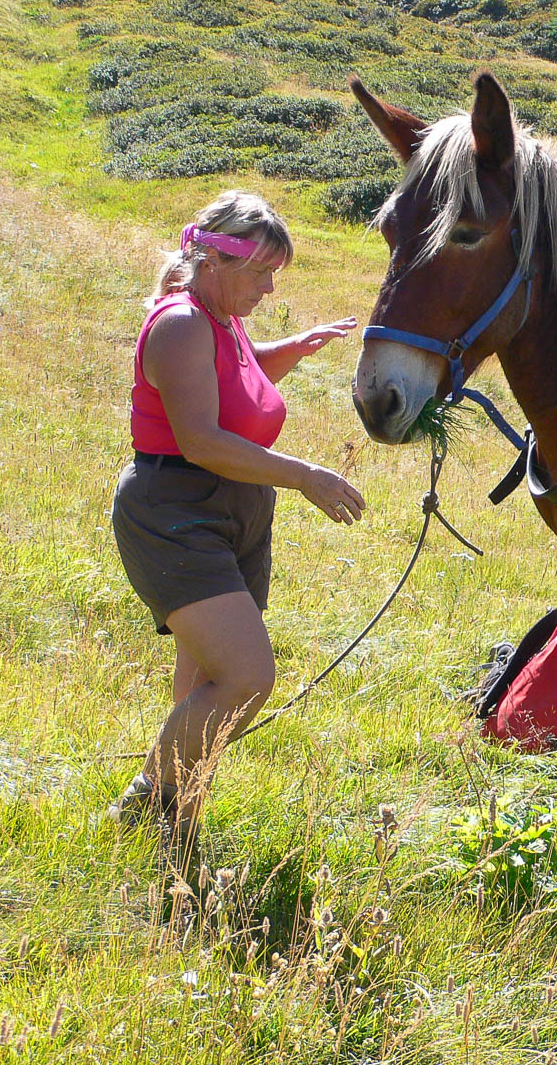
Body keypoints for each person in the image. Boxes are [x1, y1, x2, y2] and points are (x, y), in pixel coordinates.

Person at [108, 189, 365, 852]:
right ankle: (146, 799)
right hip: (178, 510)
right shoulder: (182, 323)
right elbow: (200, 438)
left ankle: (178, 826)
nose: (269, 287)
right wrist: (306, 475)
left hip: (235, 507)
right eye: (260, 272)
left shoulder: (218, 317)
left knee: (205, 682)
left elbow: (235, 376)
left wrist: (294, 349)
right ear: (215, 261)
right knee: (247, 678)